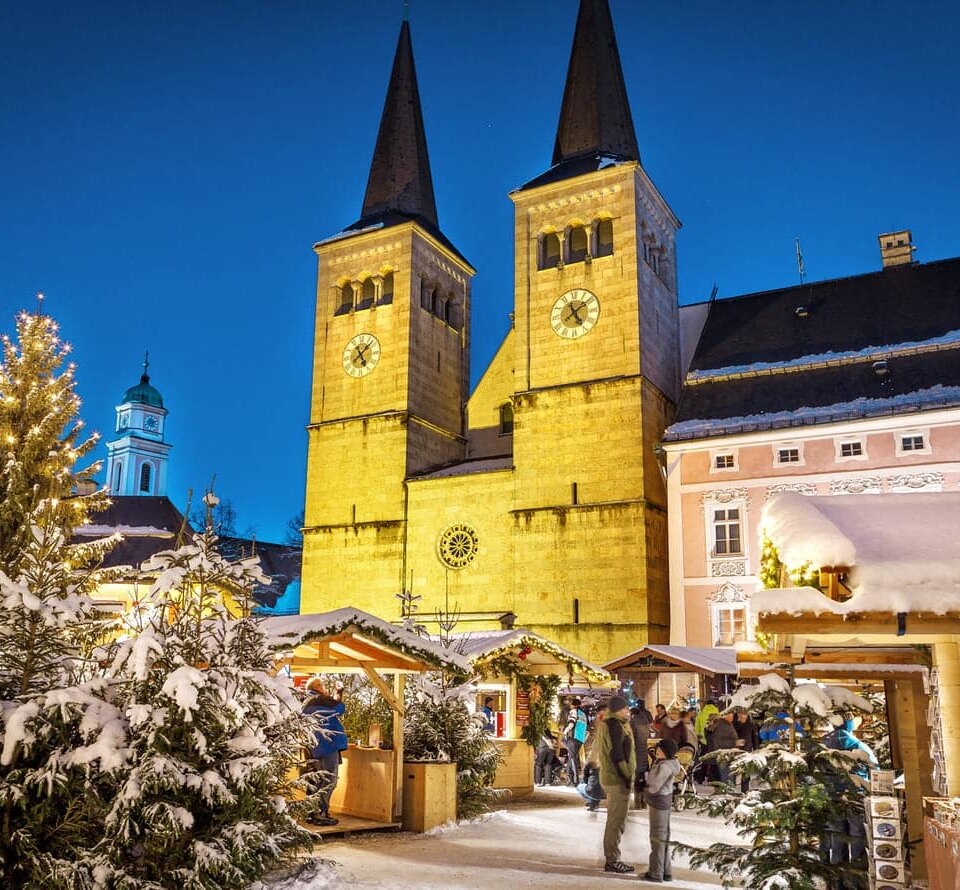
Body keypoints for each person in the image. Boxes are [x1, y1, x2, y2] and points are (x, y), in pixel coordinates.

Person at [821, 715, 877, 880]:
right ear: (850, 725)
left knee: (836, 834)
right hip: (855, 796)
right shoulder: (860, 747)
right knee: (857, 834)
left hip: (831, 796)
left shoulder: (824, 746)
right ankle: (857, 875)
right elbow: (874, 768)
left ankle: (838, 876)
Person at [596, 695, 637, 874]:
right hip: (617, 779)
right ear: (618, 710)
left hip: (615, 778)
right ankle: (612, 859)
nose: (628, 711)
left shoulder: (617, 724)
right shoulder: (613, 725)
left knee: (617, 820)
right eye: (625, 708)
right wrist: (627, 777)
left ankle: (612, 857)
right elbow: (617, 755)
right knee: (616, 821)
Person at [302, 677, 348, 826]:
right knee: (329, 780)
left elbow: (333, 705)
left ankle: (311, 812)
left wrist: (336, 694)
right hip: (327, 745)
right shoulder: (319, 700)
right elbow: (339, 709)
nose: (325, 688)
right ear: (318, 687)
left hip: (314, 747)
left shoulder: (307, 702)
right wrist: (339, 692)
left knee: (318, 780)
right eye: (323, 686)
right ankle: (320, 813)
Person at [642, 738, 681, 883]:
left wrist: (644, 787)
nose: (657, 751)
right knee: (663, 836)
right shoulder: (666, 763)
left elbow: (654, 785)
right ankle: (665, 871)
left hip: (658, 802)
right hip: (664, 801)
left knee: (657, 838)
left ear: (667, 752)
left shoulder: (664, 766)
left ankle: (656, 873)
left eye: (660, 749)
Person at [562, 697, 588, 786]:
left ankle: (575, 780)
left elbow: (571, 723)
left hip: (573, 737)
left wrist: (564, 732)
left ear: (574, 705)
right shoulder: (583, 714)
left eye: (571, 704)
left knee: (572, 758)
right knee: (571, 757)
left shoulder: (574, 711)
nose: (570, 705)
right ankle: (569, 778)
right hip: (580, 739)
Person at [630, 704, 651, 809]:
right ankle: (644, 802)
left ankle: (637, 803)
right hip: (644, 755)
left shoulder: (633, 724)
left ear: (633, 715)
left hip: (636, 754)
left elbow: (631, 740)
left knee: (637, 779)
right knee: (642, 778)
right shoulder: (645, 724)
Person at [711, 711, 740, 784]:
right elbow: (721, 741)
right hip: (724, 754)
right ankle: (727, 792)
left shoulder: (727, 724)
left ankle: (729, 791)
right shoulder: (722, 726)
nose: (732, 717)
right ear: (726, 716)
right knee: (726, 775)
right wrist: (735, 743)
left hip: (728, 754)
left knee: (728, 774)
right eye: (731, 715)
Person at [734, 708, 759, 792]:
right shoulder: (735, 724)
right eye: (740, 714)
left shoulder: (751, 724)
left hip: (747, 750)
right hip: (736, 750)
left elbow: (755, 738)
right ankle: (733, 788)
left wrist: (756, 749)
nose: (742, 716)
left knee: (746, 771)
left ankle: (745, 789)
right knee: (735, 769)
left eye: (744, 715)